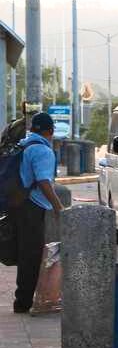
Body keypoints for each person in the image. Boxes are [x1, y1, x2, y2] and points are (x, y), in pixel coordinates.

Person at [12, 112, 65, 314]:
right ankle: (24, 301)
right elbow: (43, 182)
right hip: (32, 206)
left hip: (20, 204)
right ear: (50, 131)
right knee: (32, 255)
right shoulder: (42, 151)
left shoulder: (24, 145)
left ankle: (23, 299)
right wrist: (59, 207)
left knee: (26, 253)